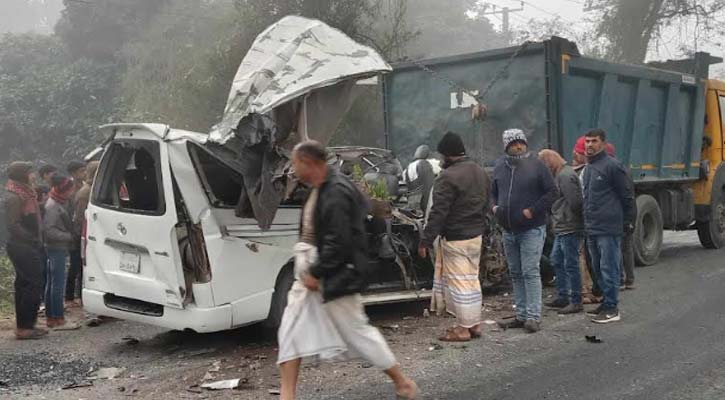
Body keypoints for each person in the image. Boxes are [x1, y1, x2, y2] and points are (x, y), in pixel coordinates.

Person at [277, 141, 418, 400]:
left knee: (358, 332)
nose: (293, 170)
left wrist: (316, 273)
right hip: (316, 273)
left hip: (335, 275)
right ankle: (287, 395)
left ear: (309, 162)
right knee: (290, 331)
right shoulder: (320, 188)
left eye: (295, 164)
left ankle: (403, 382)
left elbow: (339, 242)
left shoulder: (336, 191)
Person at [417, 132, 490, 342]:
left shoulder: (447, 177)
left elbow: (438, 213)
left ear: (448, 154)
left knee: (459, 283)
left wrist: (425, 240)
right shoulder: (480, 171)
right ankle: (474, 324)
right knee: (472, 281)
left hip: (456, 238)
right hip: (476, 236)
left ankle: (463, 329)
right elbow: (486, 203)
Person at [492, 129, 556, 333]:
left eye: (521, 142)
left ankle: (533, 317)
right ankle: (520, 315)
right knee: (516, 273)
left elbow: (552, 192)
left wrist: (533, 210)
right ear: (506, 146)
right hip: (508, 229)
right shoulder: (500, 166)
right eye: (513, 143)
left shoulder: (537, 165)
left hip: (532, 228)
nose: (518, 146)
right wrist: (493, 207)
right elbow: (492, 192)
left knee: (530, 271)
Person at [582, 129, 635, 323]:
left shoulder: (612, 166)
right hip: (592, 227)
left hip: (609, 228)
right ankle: (605, 302)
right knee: (597, 268)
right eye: (587, 141)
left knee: (609, 267)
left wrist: (628, 221)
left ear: (603, 144)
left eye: (594, 141)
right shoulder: (588, 168)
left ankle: (612, 309)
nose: (589, 145)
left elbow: (627, 196)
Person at [4, 162, 47, 340]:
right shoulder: (15, 197)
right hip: (22, 246)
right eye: (30, 173)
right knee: (32, 284)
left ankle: (25, 325)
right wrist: (32, 239)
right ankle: (25, 327)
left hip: (26, 244)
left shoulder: (26, 193)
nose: (34, 176)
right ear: (22, 175)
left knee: (24, 284)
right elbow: (13, 225)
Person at [539, 150, 584, 315]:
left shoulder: (565, 176)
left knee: (570, 263)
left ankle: (576, 300)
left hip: (569, 226)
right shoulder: (562, 174)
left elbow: (576, 202)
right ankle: (563, 296)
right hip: (562, 226)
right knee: (556, 259)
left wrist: (571, 220)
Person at [43, 175, 81, 330]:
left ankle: (51, 316)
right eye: (71, 189)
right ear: (64, 190)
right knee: (58, 283)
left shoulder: (57, 202)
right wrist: (69, 237)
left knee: (52, 282)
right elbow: (49, 231)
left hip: (55, 247)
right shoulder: (53, 206)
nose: (72, 192)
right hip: (56, 246)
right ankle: (58, 318)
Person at [604, 145, 636, 290]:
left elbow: (622, 196)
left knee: (617, 248)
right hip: (628, 212)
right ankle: (629, 279)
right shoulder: (624, 169)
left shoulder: (613, 170)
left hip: (620, 214)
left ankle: (621, 280)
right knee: (626, 247)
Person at [65, 161, 86, 305]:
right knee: (74, 264)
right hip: (73, 231)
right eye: (81, 171)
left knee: (82, 264)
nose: (84, 173)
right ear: (73, 173)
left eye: (85, 170)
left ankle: (80, 294)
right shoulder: (70, 189)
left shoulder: (83, 186)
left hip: (81, 230)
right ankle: (69, 296)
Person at [403, 145, 438, 213]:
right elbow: (428, 186)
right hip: (423, 201)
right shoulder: (424, 164)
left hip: (412, 200)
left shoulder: (409, 166)